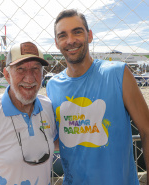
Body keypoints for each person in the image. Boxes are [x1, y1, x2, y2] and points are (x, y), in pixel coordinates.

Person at [46, 9, 149, 185]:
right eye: (63, 35)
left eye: (77, 32)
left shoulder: (118, 74)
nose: (70, 40)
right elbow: (61, 138)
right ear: (56, 43)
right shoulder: (53, 86)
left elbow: (147, 130)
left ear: (90, 35)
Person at [0, 41, 57, 185]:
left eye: (36, 69)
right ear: (7, 75)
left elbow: (56, 142)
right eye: (20, 69)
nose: (30, 78)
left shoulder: (48, 107)